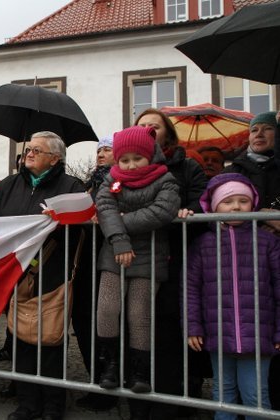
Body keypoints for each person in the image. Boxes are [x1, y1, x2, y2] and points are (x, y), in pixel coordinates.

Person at [0, 131, 86, 420]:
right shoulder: (8, 185)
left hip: (52, 271)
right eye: (28, 149)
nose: (29, 153)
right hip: (14, 272)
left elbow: (79, 227)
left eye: (37, 151)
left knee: (50, 339)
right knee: (18, 338)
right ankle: (27, 403)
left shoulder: (70, 186)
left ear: (55, 158)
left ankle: (53, 404)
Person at [133, 108, 207, 419]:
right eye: (142, 126)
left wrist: (188, 212)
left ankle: (169, 403)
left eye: (155, 126)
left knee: (167, 332)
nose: (148, 130)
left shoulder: (187, 165)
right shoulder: (128, 166)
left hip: (174, 258)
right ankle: (138, 402)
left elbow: (201, 201)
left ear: (167, 133)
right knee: (137, 330)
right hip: (137, 260)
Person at [187, 173, 280, 417]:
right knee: (223, 393)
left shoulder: (267, 241)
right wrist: (193, 326)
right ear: (215, 205)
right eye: (228, 201)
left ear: (253, 204)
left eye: (243, 200)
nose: (236, 206)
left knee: (255, 395)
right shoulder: (204, 243)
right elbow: (191, 288)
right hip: (218, 333)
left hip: (260, 335)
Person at [95, 125, 180, 394]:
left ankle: (139, 371)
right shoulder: (110, 179)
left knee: (139, 314)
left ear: (150, 156)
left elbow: (162, 211)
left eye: (137, 159)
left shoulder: (165, 179)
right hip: (114, 253)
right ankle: (110, 365)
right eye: (125, 160)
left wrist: (122, 223)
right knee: (107, 310)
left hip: (149, 256)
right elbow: (105, 208)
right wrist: (119, 239)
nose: (130, 166)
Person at [73, 134, 118, 411]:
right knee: (85, 324)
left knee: (105, 327)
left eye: (108, 149)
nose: (101, 154)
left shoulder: (118, 182)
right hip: (85, 261)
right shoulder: (88, 184)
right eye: (99, 150)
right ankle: (95, 382)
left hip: (108, 261)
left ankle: (108, 387)